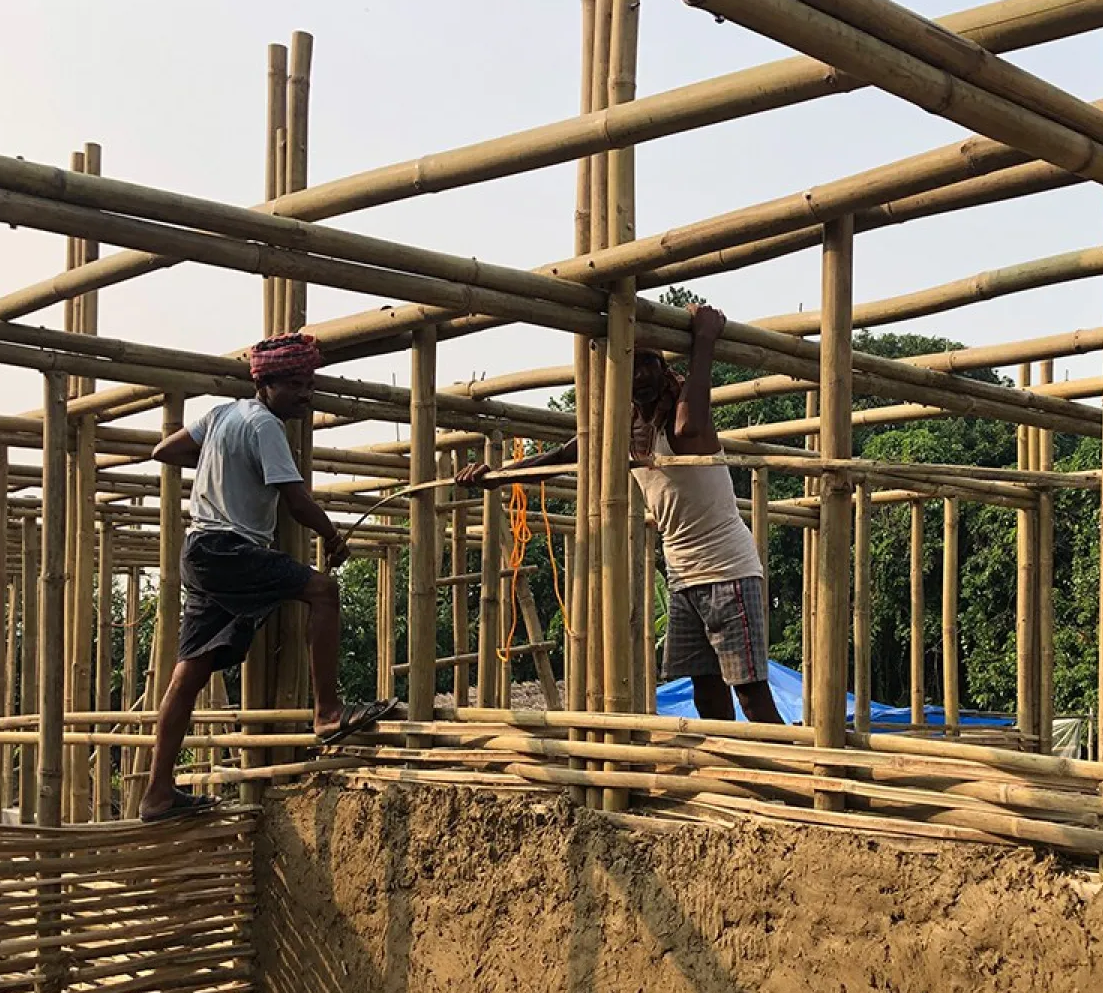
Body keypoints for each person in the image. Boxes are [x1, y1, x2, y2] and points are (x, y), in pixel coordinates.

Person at [459, 305, 782, 724]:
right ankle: (741, 775)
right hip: (683, 576)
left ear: (665, 368)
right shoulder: (625, 426)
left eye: (649, 363)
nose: (640, 376)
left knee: (752, 695)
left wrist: (705, 340)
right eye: (630, 365)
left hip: (727, 570)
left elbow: (686, 425)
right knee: (706, 695)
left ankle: (793, 783)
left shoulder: (686, 419)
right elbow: (563, 455)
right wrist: (498, 476)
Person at [140, 333, 396, 821]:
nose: (306, 394)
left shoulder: (220, 416)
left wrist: (221, 459)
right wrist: (333, 537)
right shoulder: (265, 426)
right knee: (324, 591)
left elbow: (165, 450)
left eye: (309, 383)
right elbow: (297, 503)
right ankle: (328, 712)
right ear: (267, 383)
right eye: (297, 384)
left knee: (189, 672)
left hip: (201, 550)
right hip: (232, 547)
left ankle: (158, 792)